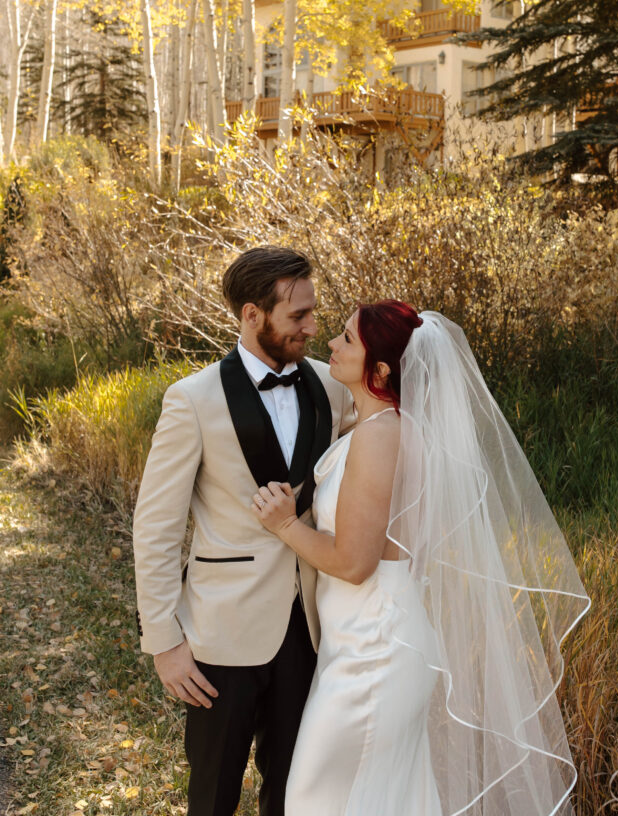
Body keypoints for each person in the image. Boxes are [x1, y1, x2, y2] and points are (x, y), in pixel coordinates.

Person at [254, 301, 590, 816]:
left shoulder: (382, 436)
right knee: (384, 798)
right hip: (363, 638)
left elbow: (353, 562)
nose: (332, 345)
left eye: (346, 339)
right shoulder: (383, 429)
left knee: (314, 797)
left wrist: (283, 525)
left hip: (376, 647)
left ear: (380, 370)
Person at [133, 246, 355, 816]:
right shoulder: (192, 399)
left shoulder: (332, 388)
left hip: (309, 627)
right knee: (213, 791)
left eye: (312, 312)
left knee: (295, 788)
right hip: (219, 633)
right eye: (297, 316)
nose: (312, 326)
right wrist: (165, 642)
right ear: (252, 315)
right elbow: (155, 528)